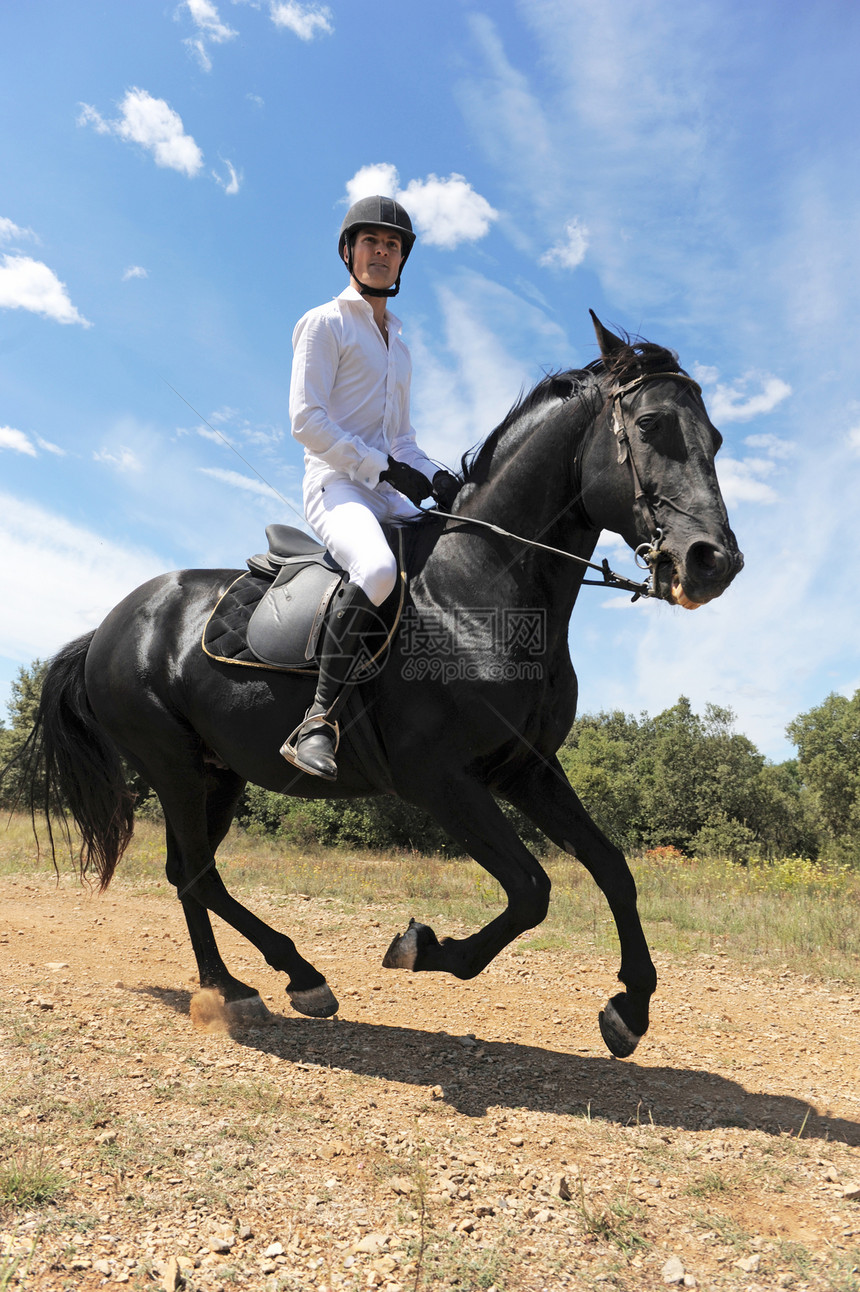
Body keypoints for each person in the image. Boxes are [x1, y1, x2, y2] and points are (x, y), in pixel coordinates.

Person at [281, 194, 459, 780]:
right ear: (350, 251)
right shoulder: (323, 322)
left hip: (386, 487)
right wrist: (377, 467)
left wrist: (435, 475)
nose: (382, 253)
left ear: (403, 259)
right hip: (335, 484)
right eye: (371, 243)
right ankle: (317, 719)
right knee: (380, 572)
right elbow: (306, 421)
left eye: (393, 245)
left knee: (451, 552)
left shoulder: (400, 346)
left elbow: (402, 438)